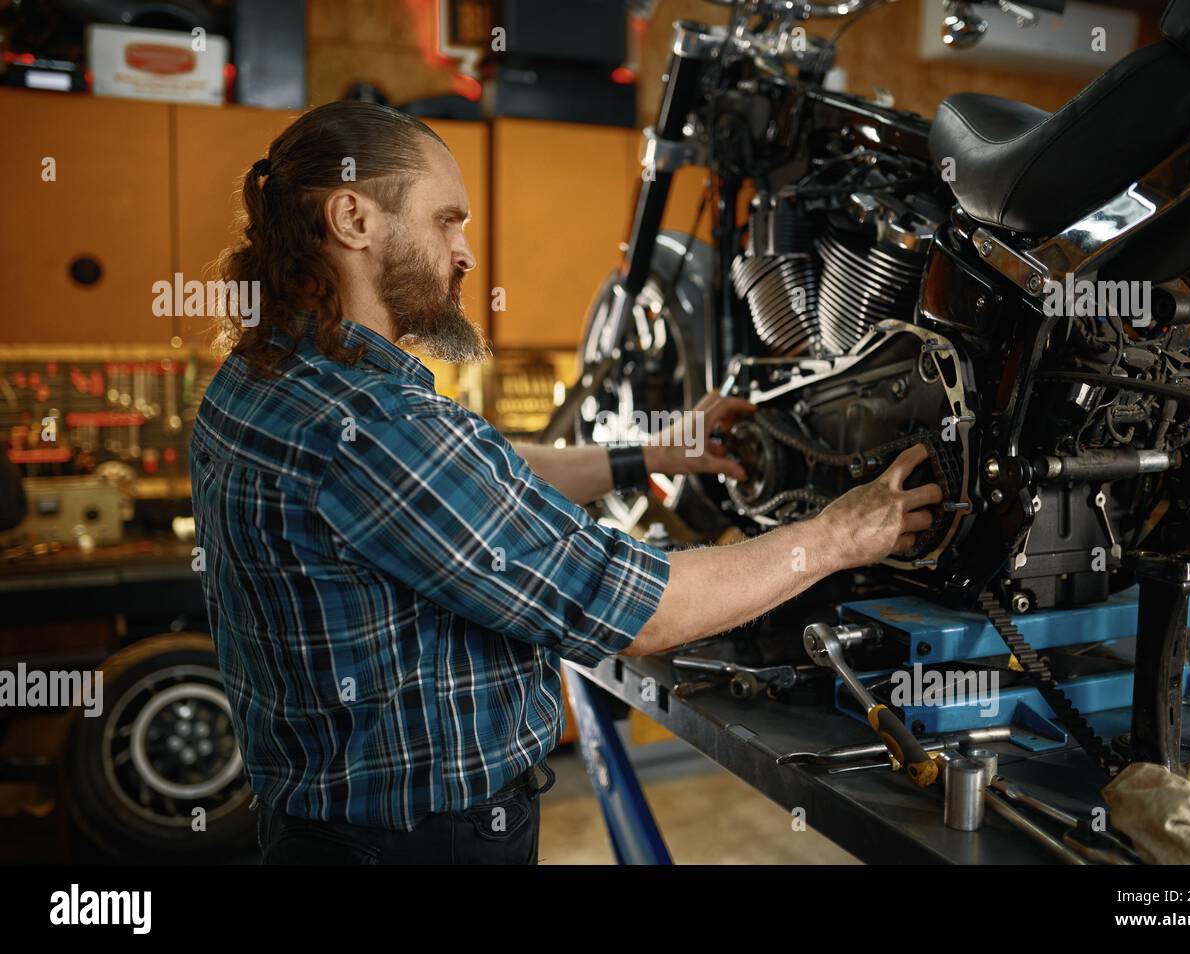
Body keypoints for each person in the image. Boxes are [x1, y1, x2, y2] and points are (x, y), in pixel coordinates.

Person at [190, 101, 940, 865]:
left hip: (324, 832)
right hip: (421, 845)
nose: (464, 252)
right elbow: (639, 611)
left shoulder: (269, 376)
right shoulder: (376, 421)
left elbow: (481, 474)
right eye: (447, 220)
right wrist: (837, 538)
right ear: (354, 218)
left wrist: (649, 455)